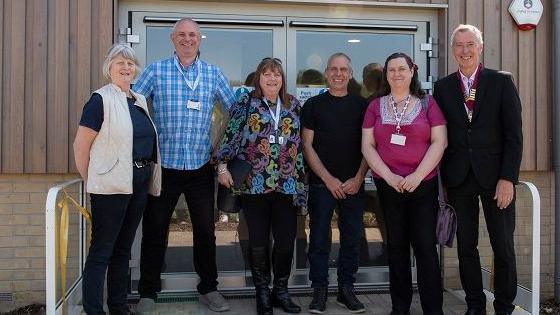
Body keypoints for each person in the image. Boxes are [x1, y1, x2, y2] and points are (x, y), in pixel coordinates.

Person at [133, 18, 237, 313]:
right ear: (172, 38)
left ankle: (209, 288)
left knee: (205, 232)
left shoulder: (213, 74)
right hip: (163, 169)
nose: (187, 39)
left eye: (192, 35)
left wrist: (223, 156)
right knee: (155, 230)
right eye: (181, 35)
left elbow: (237, 113)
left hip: (200, 168)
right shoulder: (156, 71)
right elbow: (131, 104)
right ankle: (148, 293)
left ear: (200, 39)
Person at [433, 24, 523, 315]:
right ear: (453, 50)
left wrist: (508, 178)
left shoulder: (501, 82)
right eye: (459, 45)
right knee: (466, 248)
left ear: (480, 47)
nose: (465, 50)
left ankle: (505, 306)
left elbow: (514, 135)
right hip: (459, 179)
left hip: (496, 179)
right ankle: (475, 305)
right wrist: (443, 181)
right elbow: (441, 135)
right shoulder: (443, 87)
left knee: (503, 247)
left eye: (470, 44)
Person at [73, 43, 161, 315]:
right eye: (120, 62)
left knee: (123, 249)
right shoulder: (100, 99)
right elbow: (81, 146)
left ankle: (119, 306)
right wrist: (94, 180)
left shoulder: (139, 100)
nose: (126, 67)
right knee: (102, 251)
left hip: (139, 181)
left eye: (130, 63)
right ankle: (94, 310)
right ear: (108, 68)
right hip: (110, 186)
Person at [213, 57, 306, 315]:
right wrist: (221, 167)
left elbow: (299, 149)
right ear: (259, 78)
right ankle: (262, 292)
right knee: (258, 241)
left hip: (287, 185)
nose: (272, 78)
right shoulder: (245, 103)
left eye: (277, 74)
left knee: (286, 241)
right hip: (254, 185)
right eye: (267, 74)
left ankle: (281, 291)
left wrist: (301, 183)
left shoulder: (294, 106)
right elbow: (229, 137)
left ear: (282, 78)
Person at [361, 52, 447, 315]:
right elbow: (367, 146)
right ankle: (400, 308)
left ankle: (433, 309)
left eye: (402, 69)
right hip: (389, 187)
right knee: (396, 249)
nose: (397, 74)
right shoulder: (375, 106)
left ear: (412, 71)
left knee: (425, 249)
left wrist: (416, 176)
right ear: (386, 75)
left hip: (423, 187)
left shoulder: (427, 103)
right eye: (391, 70)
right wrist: (390, 177)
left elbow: (439, 142)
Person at [302, 52, 369, 314]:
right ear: (326, 73)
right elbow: (307, 146)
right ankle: (319, 290)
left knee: (352, 240)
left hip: (354, 184)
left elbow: (369, 146)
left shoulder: (363, 106)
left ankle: (346, 290)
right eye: (334, 69)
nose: (338, 74)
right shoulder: (314, 106)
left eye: (343, 70)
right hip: (322, 186)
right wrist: (328, 179)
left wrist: (359, 177)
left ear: (350, 74)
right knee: (319, 240)